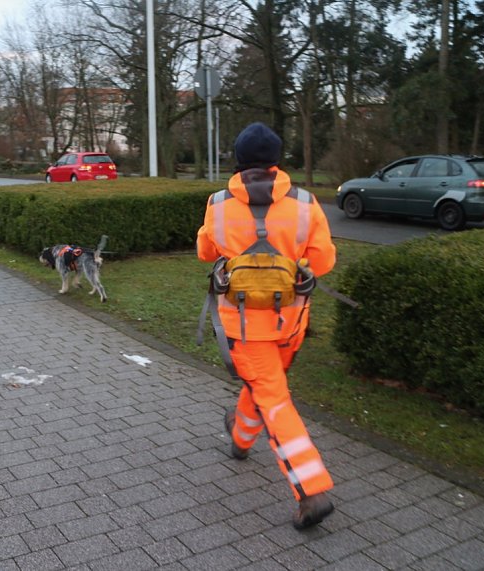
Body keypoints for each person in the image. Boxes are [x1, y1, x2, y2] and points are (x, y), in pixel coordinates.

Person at [196, 122, 337, 530]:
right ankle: (240, 437)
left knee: (274, 398)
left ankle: (311, 491)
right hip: (291, 321)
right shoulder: (307, 203)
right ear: (277, 162)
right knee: (265, 385)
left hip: (243, 325)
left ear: (238, 163)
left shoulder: (218, 203)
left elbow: (206, 252)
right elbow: (324, 262)